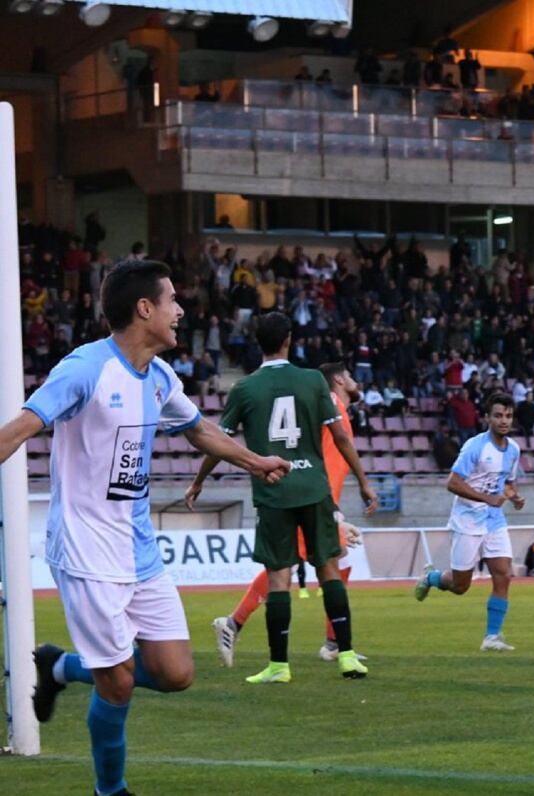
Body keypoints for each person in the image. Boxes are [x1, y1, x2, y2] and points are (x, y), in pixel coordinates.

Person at [3, 260, 289, 796]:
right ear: (144, 309)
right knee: (118, 683)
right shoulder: (84, 369)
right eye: (172, 300)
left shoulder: (158, 377)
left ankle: (57, 666)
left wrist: (256, 461)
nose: (180, 311)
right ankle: (110, 791)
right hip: (87, 551)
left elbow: (200, 430)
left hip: (139, 552)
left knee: (176, 672)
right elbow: (21, 427)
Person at [186, 312, 377, 684]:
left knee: (278, 576)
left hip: (273, 490)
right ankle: (348, 657)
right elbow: (340, 438)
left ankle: (279, 666)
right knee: (329, 570)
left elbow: (219, 443)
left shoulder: (245, 388)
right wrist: (364, 482)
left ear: (258, 342)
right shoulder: (311, 381)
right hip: (314, 489)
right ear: (289, 339)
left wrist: (199, 481)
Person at [414, 393, 525, 651]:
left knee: (504, 574)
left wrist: (514, 496)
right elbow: (452, 483)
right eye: (498, 415)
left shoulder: (514, 450)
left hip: (494, 521)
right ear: (487, 418)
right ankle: (431, 578)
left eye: (508, 416)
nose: (504, 420)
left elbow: (506, 482)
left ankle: (492, 637)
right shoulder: (475, 447)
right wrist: (486, 498)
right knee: (460, 585)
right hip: (468, 521)